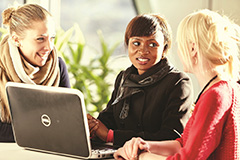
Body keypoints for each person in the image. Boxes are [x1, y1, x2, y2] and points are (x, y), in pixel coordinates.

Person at [114, 9, 240, 160]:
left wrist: (141, 156)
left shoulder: (215, 95)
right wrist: (144, 145)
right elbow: (182, 144)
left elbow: (188, 158)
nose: (179, 52)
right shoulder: (225, 88)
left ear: (193, 48)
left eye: (181, 45)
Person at [87, 13, 193, 147]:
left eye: (153, 44)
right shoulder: (123, 78)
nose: (143, 51)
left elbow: (171, 137)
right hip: (120, 154)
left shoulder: (178, 82)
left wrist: (111, 136)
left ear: (164, 48)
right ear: (127, 44)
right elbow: (109, 119)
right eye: (136, 43)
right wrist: (92, 125)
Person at [0, 4, 71, 142]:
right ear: (16, 40)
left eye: (52, 38)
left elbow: (68, 119)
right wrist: (43, 133)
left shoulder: (58, 66)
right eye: (40, 39)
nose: (50, 47)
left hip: (48, 150)